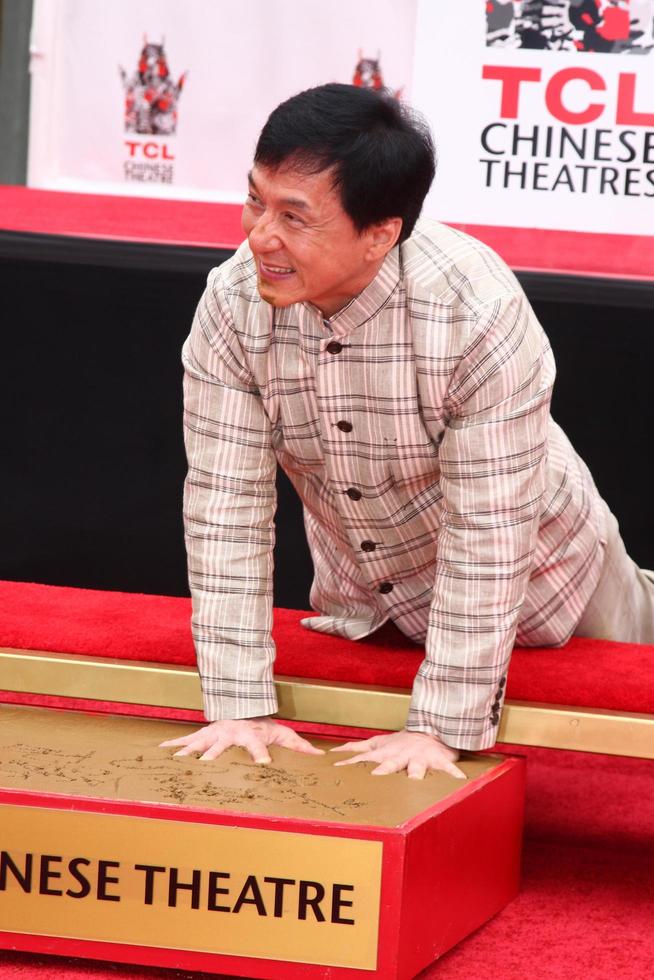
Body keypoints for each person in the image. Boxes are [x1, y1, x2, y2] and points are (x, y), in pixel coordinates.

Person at [161, 83, 654, 779]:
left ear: (381, 233)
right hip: (373, 608)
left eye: (294, 217)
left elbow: (489, 530)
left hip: (556, 583)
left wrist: (440, 723)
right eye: (255, 199)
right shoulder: (234, 301)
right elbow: (225, 507)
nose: (259, 235)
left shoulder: (473, 308)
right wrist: (239, 703)